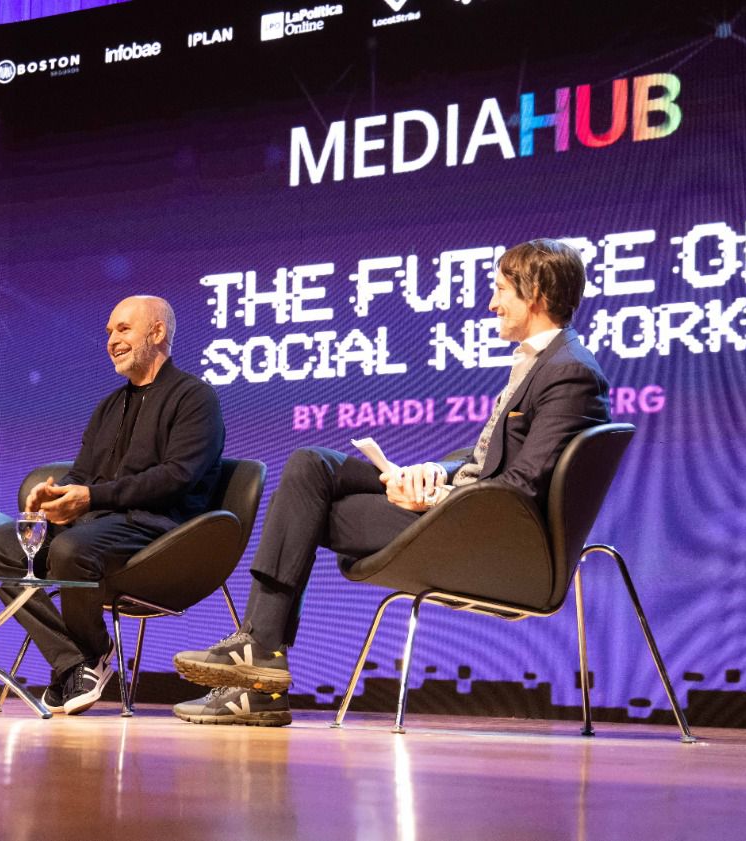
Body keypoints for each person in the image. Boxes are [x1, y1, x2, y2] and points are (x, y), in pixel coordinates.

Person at [173, 239, 611, 726]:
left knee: (307, 510)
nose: (491, 303)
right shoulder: (546, 362)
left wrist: (438, 500)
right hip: (465, 510)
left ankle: (260, 662)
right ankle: (260, 653)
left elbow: (522, 488)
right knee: (310, 465)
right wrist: (435, 472)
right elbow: (489, 457)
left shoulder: (570, 373)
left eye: (501, 290)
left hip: (485, 536)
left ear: (537, 293)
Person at [0, 295, 225, 715]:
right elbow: (83, 473)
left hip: (157, 530)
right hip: (96, 525)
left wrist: (91, 497)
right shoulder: (109, 405)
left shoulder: (195, 398)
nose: (111, 340)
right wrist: (54, 497)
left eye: (123, 329)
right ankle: (76, 659)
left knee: (70, 549)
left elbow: (176, 477)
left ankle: (85, 656)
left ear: (157, 333)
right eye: (109, 332)